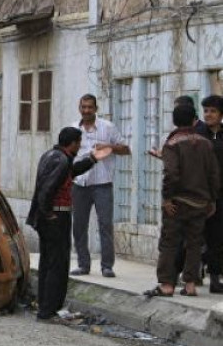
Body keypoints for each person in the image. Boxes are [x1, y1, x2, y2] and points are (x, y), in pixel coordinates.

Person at [27, 127, 113, 320]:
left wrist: (92, 159)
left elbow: (70, 173)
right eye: (78, 142)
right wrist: (48, 213)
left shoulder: (51, 156)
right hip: (56, 217)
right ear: (72, 143)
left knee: (48, 262)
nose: (79, 146)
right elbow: (48, 189)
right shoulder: (62, 160)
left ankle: (45, 307)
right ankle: (48, 309)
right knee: (57, 264)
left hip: (48, 217)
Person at [145, 105, 219, 298]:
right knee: (194, 244)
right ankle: (191, 284)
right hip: (201, 203)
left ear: (174, 121)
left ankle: (167, 284)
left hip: (177, 203)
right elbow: (213, 174)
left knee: (170, 243)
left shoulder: (172, 144)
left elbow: (171, 174)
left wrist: (167, 198)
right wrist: (212, 200)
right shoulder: (206, 143)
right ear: (194, 120)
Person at [70, 94, 131, 278]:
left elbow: (126, 149)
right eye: (84, 107)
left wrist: (108, 146)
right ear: (79, 108)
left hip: (102, 184)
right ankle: (83, 264)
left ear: (96, 108)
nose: (87, 110)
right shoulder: (73, 128)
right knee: (79, 226)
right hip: (80, 183)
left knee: (105, 225)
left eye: (90, 107)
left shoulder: (108, 127)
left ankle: (107, 266)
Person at [196, 95, 223, 293]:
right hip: (199, 194)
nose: (208, 115)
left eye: (213, 111)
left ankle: (215, 278)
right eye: (206, 111)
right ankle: (191, 273)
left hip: (220, 195)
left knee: (216, 237)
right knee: (194, 236)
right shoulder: (197, 135)